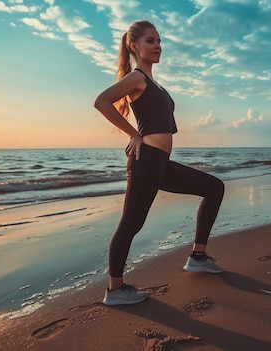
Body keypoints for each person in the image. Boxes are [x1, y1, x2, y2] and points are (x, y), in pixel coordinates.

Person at [94, 20, 226, 305]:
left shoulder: (154, 82)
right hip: (146, 161)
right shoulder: (137, 77)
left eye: (159, 41)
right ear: (134, 46)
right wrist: (134, 134)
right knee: (131, 223)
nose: (157, 46)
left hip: (161, 163)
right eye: (150, 41)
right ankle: (115, 289)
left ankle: (198, 257)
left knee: (215, 187)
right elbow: (102, 101)